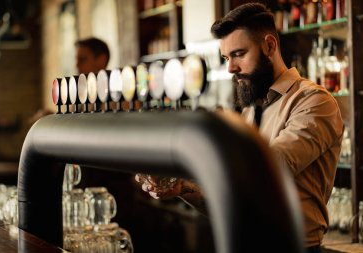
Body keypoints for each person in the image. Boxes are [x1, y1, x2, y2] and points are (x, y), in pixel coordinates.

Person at [135, 3, 344, 253]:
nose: (231, 68)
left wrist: (190, 163)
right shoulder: (251, 108)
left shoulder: (313, 101)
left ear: (269, 45)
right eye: (226, 58)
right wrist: (186, 188)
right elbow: (236, 203)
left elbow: (271, 168)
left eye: (239, 54)